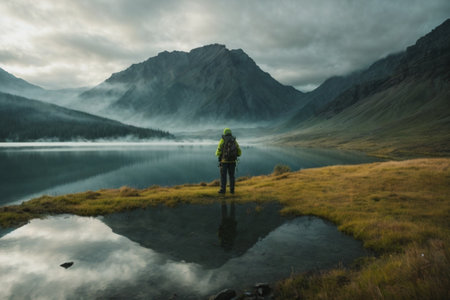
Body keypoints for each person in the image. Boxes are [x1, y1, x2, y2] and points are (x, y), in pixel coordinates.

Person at [215, 128, 242, 194]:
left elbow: (218, 151)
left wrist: (218, 155)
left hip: (224, 161)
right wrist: (236, 155)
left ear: (224, 133)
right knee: (232, 176)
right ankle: (232, 190)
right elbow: (239, 152)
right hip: (232, 162)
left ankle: (223, 190)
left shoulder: (222, 140)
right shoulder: (234, 140)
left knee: (223, 176)